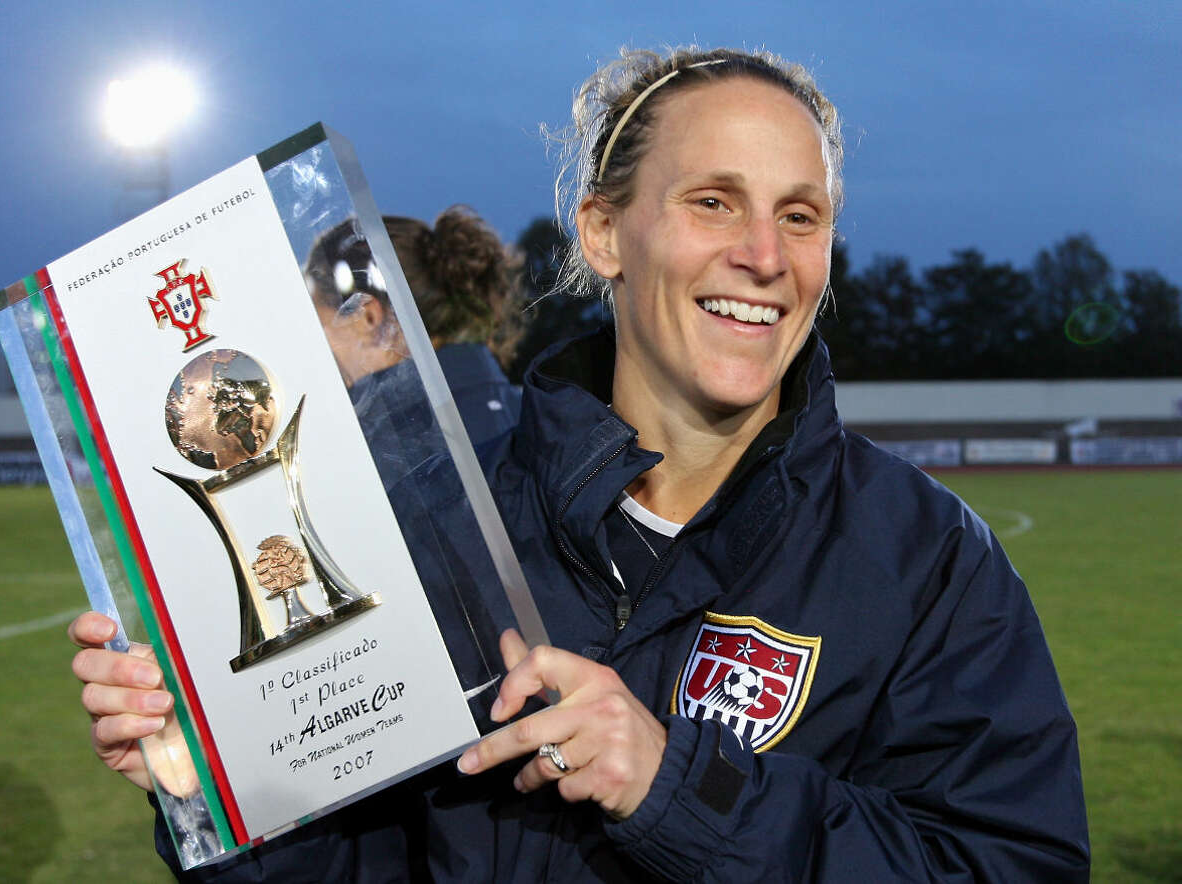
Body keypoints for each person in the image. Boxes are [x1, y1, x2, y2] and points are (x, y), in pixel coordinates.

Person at [70, 46, 1089, 881]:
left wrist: (679, 783)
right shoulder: (435, 516)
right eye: (713, 202)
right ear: (603, 230)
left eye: (800, 214)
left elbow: (1010, 864)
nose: (764, 256)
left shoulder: (929, 561)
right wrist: (221, 779)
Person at [305, 207, 523, 457]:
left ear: (368, 317)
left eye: (320, 327)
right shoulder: (534, 411)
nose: (317, 354)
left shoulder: (393, 453)